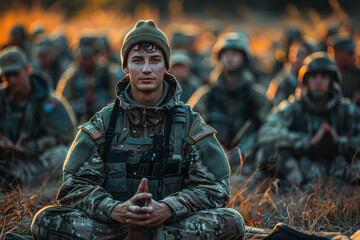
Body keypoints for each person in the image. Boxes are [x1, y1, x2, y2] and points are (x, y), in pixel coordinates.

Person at [30, 20, 245, 240]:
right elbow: (74, 184)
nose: (146, 69)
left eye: (154, 60)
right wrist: (114, 210)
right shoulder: (105, 122)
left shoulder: (188, 122)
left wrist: (169, 208)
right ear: (125, 67)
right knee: (45, 221)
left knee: (232, 222)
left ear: (166, 66)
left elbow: (216, 187)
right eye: (137, 60)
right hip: (115, 225)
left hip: (169, 225)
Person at [255, 52, 360, 186]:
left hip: (339, 165)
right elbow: (266, 132)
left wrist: (340, 142)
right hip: (303, 166)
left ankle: (349, 185)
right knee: (266, 153)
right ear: (306, 80)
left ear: (332, 80)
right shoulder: (294, 107)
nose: (318, 81)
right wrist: (306, 141)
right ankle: (300, 184)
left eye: (323, 76)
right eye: (313, 76)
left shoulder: (346, 109)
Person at [189, 32, 272, 164]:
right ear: (218, 58)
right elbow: (190, 127)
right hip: (211, 161)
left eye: (234, 54)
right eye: (225, 54)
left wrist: (246, 148)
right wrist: (213, 147)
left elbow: (271, 128)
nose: (229, 58)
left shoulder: (257, 95)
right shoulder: (206, 94)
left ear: (244, 58)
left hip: (248, 162)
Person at [0, 46, 76, 189]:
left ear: (27, 70)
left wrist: (28, 148)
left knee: (62, 156)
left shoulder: (49, 101)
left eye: (15, 74)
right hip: (7, 164)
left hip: (35, 162)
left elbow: (67, 135)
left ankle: (44, 195)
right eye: (6, 76)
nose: (11, 80)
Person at [56, 34, 118, 123]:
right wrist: (84, 103)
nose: (84, 60)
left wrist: (96, 103)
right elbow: (62, 107)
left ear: (97, 54)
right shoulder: (71, 77)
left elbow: (118, 105)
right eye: (82, 56)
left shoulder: (109, 74)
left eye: (88, 56)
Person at [266, 40, 316, 105]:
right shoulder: (282, 82)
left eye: (304, 55)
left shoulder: (318, 80)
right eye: (297, 55)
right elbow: (272, 105)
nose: (299, 60)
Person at [333, 37, 360, 106]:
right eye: (349, 53)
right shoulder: (329, 75)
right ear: (337, 53)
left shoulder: (357, 74)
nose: (353, 56)